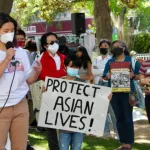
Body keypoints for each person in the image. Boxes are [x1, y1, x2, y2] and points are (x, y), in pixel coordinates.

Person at [0, 12, 42, 150]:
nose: (10, 34)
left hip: (20, 104)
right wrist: (6, 59)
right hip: (1, 105)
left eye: (12, 31)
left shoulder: (21, 53)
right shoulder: (8, 54)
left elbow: (27, 80)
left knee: (20, 146)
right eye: (6, 31)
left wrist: (36, 72)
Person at [102, 40, 140, 150]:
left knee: (127, 118)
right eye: (114, 47)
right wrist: (107, 76)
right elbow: (104, 76)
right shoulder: (110, 62)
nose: (116, 48)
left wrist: (133, 75)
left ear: (124, 48)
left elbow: (139, 76)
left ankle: (128, 143)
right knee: (119, 118)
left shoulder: (131, 61)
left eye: (119, 46)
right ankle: (123, 143)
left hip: (128, 94)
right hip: (114, 94)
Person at [39, 32, 66, 150]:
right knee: (51, 127)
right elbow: (46, 76)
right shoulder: (41, 59)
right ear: (45, 45)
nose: (55, 44)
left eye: (56, 41)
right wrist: (62, 74)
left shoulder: (63, 57)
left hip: (64, 95)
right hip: (48, 96)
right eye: (52, 42)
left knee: (64, 125)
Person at [92, 39, 118, 138]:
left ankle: (117, 131)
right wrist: (104, 71)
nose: (104, 47)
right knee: (102, 109)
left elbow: (111, 72)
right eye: (102, 46)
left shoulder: (111, 59)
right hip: (98, 84)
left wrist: (99, 71)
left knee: (112, 110)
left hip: (109, 85)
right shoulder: (96, 59)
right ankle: (106, 131)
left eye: (106, 46)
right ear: (99, 47)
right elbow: (93, 72)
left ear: (109, 47)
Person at [59, 54, 84, 150]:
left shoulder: (82, 84)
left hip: (79, 125)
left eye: (76, 67)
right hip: (63, 126)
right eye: (72, 66)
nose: (74, 69)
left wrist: (105, 98)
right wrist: (46, 92)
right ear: (65, 66)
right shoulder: (58, 83)